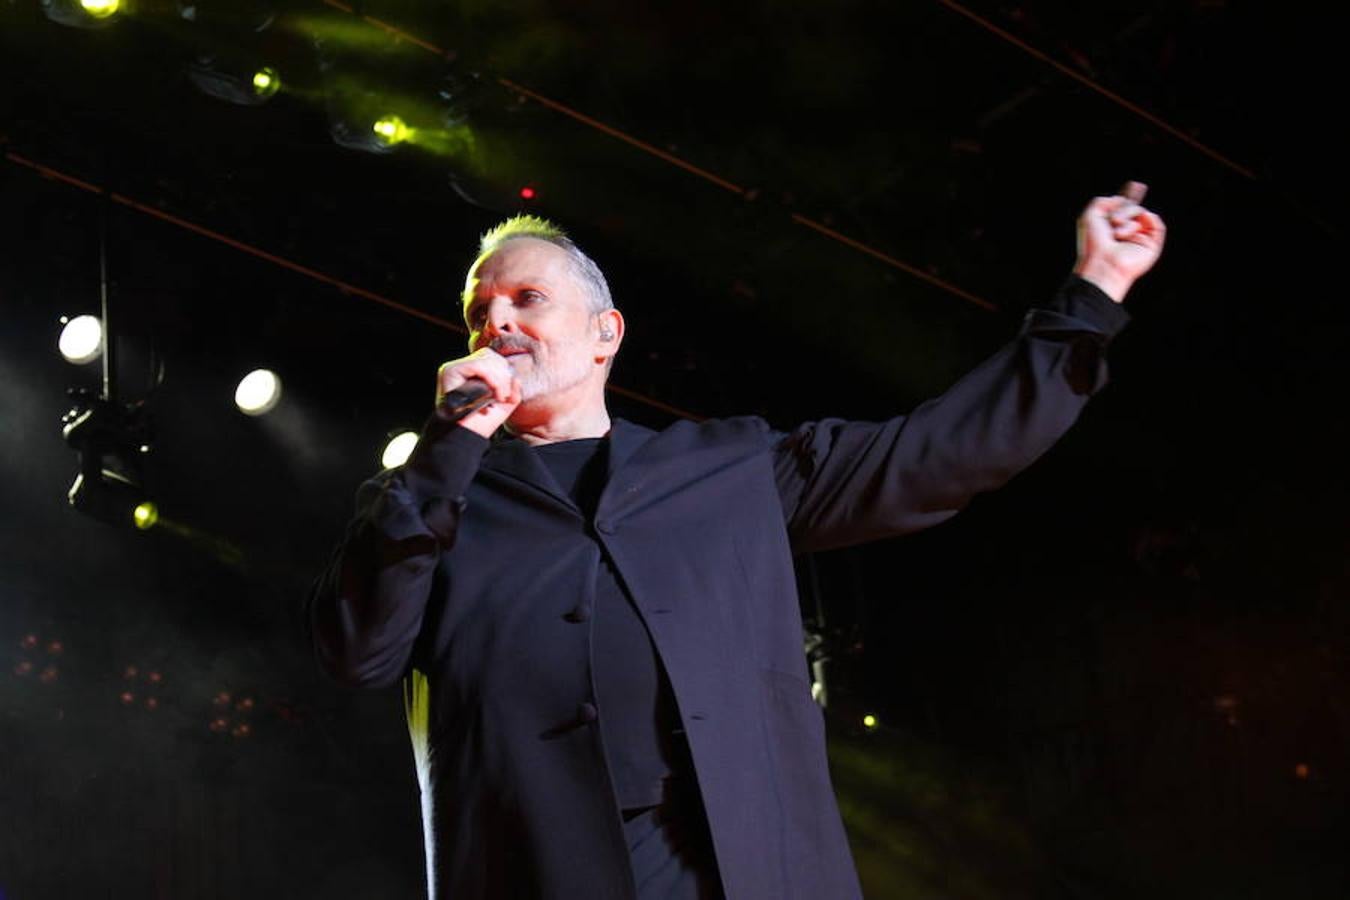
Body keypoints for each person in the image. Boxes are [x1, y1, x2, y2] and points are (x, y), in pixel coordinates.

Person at [306, 183, 1166, 899]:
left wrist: (1090, 294)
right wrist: (445, 449)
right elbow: (358, 651)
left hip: (743, 869)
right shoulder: (427, 500)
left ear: (607, 333)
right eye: (478, 312)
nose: (498, 321)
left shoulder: (725, 466)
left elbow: (939, 454)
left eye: (527, 299)